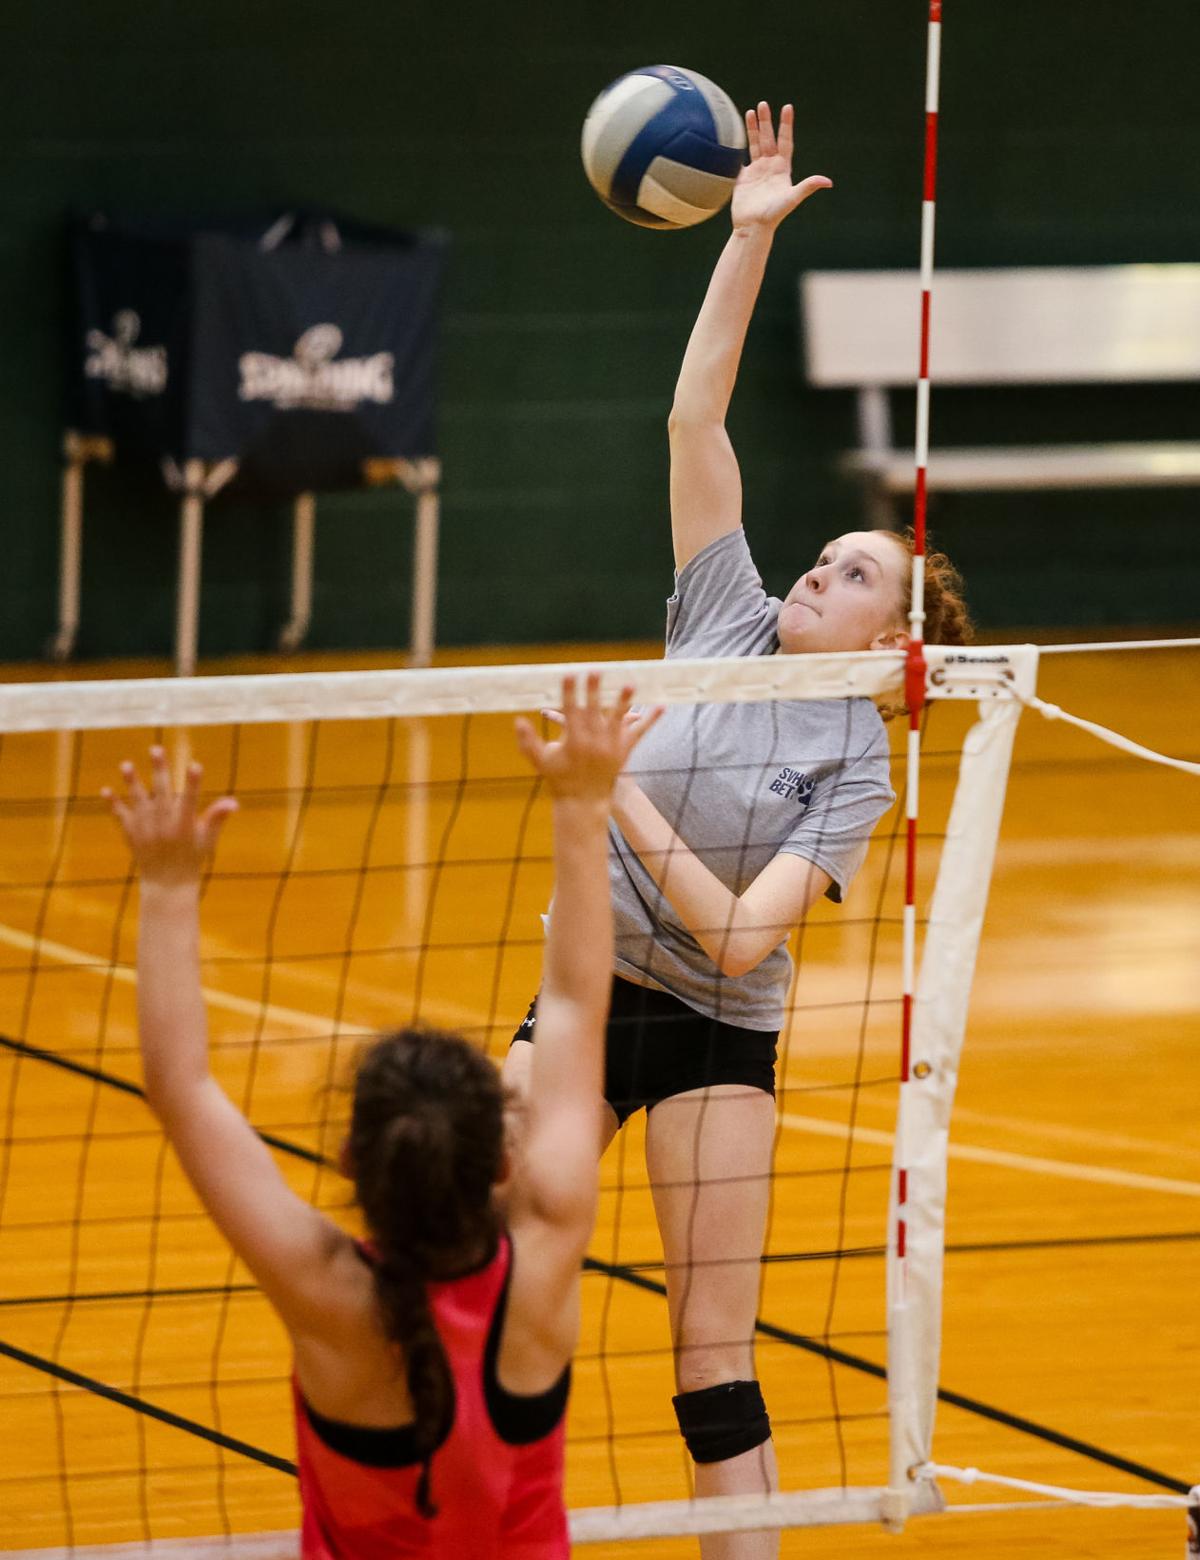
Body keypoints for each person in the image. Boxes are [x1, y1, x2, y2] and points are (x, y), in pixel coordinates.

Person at [505, 103, 972, 1559]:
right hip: (586, 996)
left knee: (713, 1358)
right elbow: (693, 416)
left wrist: (609, 793)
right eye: (823, 557)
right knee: (514, 1284)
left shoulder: (856, 768)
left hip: (717, 1029)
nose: (812, 575)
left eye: (844, 576)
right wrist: (748, 239)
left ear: (879, 635)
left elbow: (739, 935)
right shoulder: (722, 612)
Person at [105, 672, 659, 1560]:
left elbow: (179, 1087)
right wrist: (582, 802)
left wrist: (169, 889)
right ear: (503, 1164)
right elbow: (570, 1004)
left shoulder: (326, 1293)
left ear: (350, 1164)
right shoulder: (548, 1241)